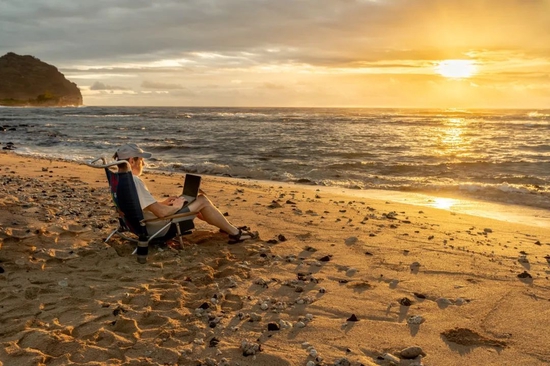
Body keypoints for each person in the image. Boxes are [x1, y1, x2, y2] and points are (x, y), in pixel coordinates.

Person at [113, 143, 255, 246]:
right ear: (132, 161)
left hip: (139, 224)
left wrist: (165, 202)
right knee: (202, 200)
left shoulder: (119, 179)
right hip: (156, 228)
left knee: (192, 202)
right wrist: (176, 206)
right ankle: (235, 233)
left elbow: (140, 206)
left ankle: (227, 227)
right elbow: (162, 213)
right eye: (141, 160)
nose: (143, 164)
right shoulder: (134, 181)